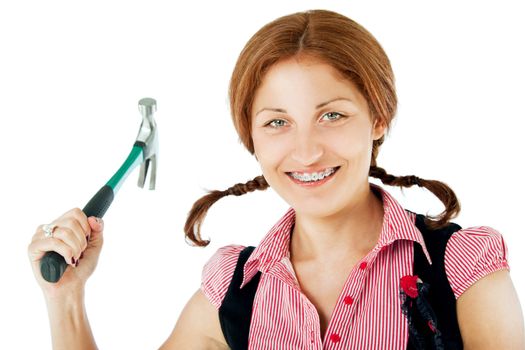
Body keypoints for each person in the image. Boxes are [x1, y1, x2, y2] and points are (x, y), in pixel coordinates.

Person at [28, 9, 525, 349]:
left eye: (331, 115)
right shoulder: (233, 288)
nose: (305, 151)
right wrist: (65, 298)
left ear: (379, 119)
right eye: (277, 122)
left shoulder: (461, 268)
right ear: (252, 137)